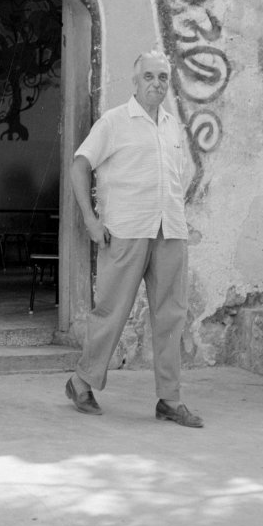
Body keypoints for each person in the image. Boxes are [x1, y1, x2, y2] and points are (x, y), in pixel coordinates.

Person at [64, 50, 203, 428]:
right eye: (149, 77)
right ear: (135, 81)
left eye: (162, 77)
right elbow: (80, 166)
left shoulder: (173, 126)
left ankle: (169, 400)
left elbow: (178, 176)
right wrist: (92, 222)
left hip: (169, 231)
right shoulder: (114, 122)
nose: (156, 83)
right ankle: (82, 381)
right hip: (125, 231)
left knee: (171, 316)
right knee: (111, 312)